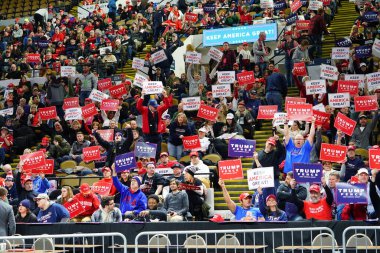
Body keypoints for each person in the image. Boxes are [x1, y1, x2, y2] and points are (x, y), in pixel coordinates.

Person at [137, 90, 171, 160]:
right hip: (147, 135)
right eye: (154, 107)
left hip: (157, 135)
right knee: (149, 153)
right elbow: (138, 107)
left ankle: (156, 164)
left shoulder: (159, 109)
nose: (156, 108)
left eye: (156, 106)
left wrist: (165, 96)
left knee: (157, 152)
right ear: (150, 106)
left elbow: (167, 105)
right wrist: (142, 96)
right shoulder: (145, 110)